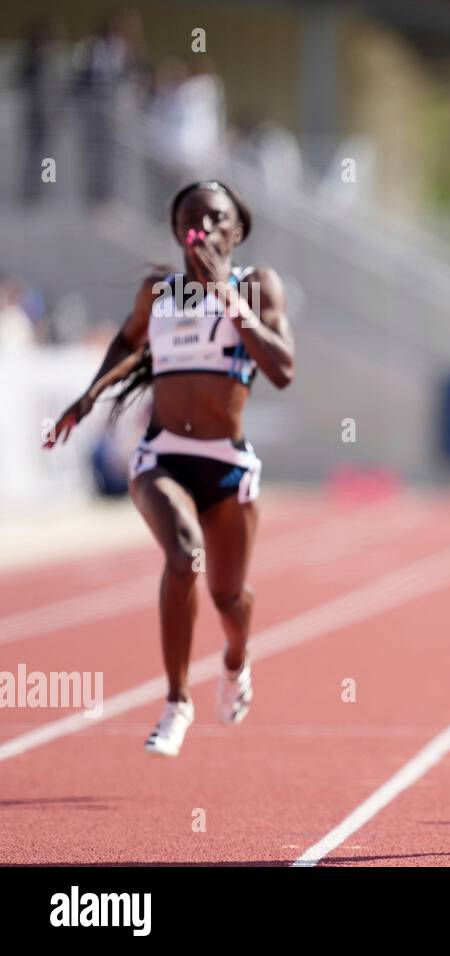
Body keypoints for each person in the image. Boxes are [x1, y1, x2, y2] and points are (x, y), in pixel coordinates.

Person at [45, 181, 295, 757]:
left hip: (227, 463)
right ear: (178, 231)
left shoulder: (256, 287)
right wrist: (87, 400)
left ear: (237, 231)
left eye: (216, 220)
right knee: (184, 556)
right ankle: (177, 701)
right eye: (192, 220)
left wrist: (228, 303)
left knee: (230, 599)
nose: (203, 229)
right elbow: (126, 344)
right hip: (162, 456)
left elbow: (282, 369)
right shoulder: (158, 293)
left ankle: (236, 660)